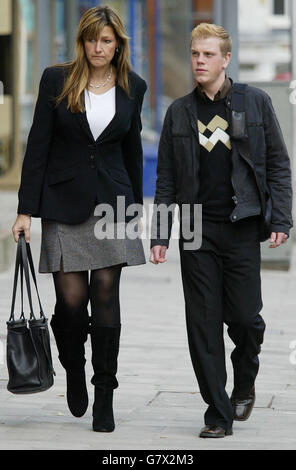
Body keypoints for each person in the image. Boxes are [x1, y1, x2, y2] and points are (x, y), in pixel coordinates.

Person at [150, 23, 292, 438]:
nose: (199, 61)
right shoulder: (179, 112)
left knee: (247, 321)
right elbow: (165, 181)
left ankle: (244, 381)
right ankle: (218, 412)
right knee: (203, 324)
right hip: (195, 228)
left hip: (242, 225)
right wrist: (160, 235)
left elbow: (278, 166)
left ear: (225, 59)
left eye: (208, 54)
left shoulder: (255, 102)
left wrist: (280, 219)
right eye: (195, 53)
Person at [12, 5, 147, 433]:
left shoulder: (133, 86)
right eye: (92, 40)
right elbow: (38, 147)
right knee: (71, 306)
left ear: (118, 44)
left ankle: (104, 392)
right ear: (82, 41)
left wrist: (136, 210)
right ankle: (73, 366)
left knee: (106, 294)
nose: (98, 48)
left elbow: (131, 151)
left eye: (106, 41)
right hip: (62, 202)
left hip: (112, 202)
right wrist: (24, 211)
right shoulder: (57, 79)